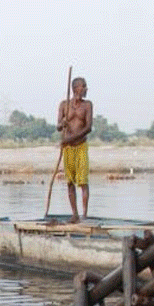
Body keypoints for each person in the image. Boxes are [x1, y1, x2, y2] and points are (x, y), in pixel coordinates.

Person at [57, 76, 93, 222]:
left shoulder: (87, 105)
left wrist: (70, 139)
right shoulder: (64, 104)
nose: (85, 89)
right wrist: (63, 123)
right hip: (68, 149)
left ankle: (84, 215)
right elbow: (58, 126)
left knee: (83, 181)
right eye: (83, 86)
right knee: (70, 182)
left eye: (85, 86)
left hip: (81, 146)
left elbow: (88, 128)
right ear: (75, 88)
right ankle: (75, 214)